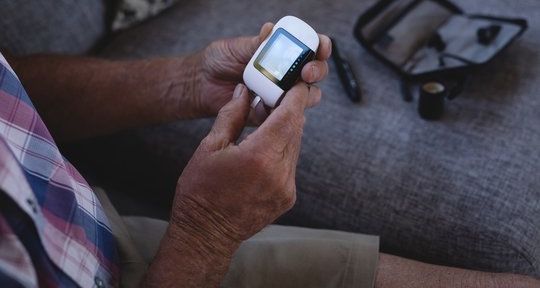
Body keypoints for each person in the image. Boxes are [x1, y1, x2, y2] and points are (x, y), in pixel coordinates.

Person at [0, 23, 538, 288]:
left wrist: (189, 83)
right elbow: (201, 235)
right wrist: (205, 233)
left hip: (88, 231)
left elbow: (12, 86)